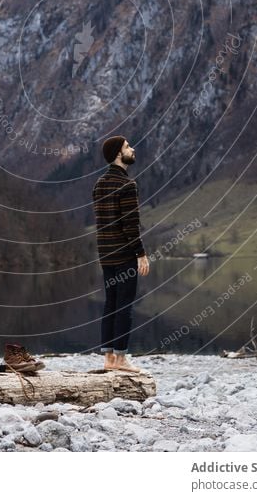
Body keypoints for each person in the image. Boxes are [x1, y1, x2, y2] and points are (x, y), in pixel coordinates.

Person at [92, 135, 150, 373]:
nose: (132, 149)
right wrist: (141, 254)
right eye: (128, 147)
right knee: (124, 306)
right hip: (124, 254)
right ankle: (122, 360)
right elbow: (130, 225)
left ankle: (108, 360)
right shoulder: (127, 185)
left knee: (111, 304)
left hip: (105, 254)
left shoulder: (98, 184)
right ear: (118, 154)